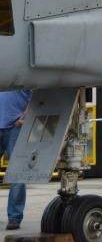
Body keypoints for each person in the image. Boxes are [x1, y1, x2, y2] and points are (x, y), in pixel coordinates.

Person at [0, 89, 32, 230]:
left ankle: (14, 217)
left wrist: (24, 118)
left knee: (17, 174)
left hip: (15, 127)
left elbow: (37, 97)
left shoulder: (22, 72)